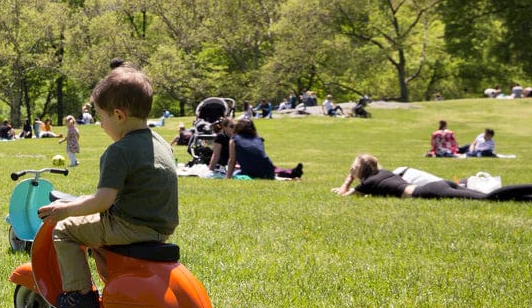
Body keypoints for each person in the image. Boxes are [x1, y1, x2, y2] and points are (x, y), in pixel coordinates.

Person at [36, 66, 178, 308]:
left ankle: (79, 296)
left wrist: (64, 210)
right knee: (93, 229)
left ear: (119, 115)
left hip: (130, 226)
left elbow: (103, 201)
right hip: (160, 226)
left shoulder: (119, 151)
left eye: (102, 119)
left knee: (65, 230)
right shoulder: (161, 143)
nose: (101, 125)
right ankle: (111, 283)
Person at [334, 154, 532, 200]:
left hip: (427, 191)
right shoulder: (385, 173)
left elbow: (347, 196)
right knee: (489, 195)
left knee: (488, 198)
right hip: (438, 184)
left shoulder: (367, 184)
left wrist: (348, 180)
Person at [223, 118, 302, 179]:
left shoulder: (234, 139)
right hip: (269, 169)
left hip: (250, 171)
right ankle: (288, 174)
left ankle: (287, 174)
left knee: (236, 174)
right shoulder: (258, 138)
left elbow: (232, 161)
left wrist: (228, 177)